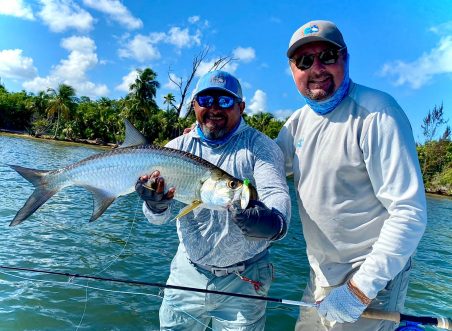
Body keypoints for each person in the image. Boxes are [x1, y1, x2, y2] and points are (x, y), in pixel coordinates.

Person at [276, 20, 427, 330]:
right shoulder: (295, 123)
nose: (316, 67)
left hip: (372, 281)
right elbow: (264, 170)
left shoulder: (378, 112)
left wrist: (359, 290)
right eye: (304, 60)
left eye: (327, 55)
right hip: (320, 275)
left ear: (345, 58)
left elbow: (409, 212)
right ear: (292, 69)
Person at [135, 70, 291, 330]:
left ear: (241, 107)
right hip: (187, 272)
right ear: (194, 105)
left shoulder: (260, 147)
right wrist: (155, 205)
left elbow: (275, 191)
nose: (215, 108)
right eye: (206, 100)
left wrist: (275, 222)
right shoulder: (176, 147)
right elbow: (157, 219)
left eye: (225, 101)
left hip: (245, 279)